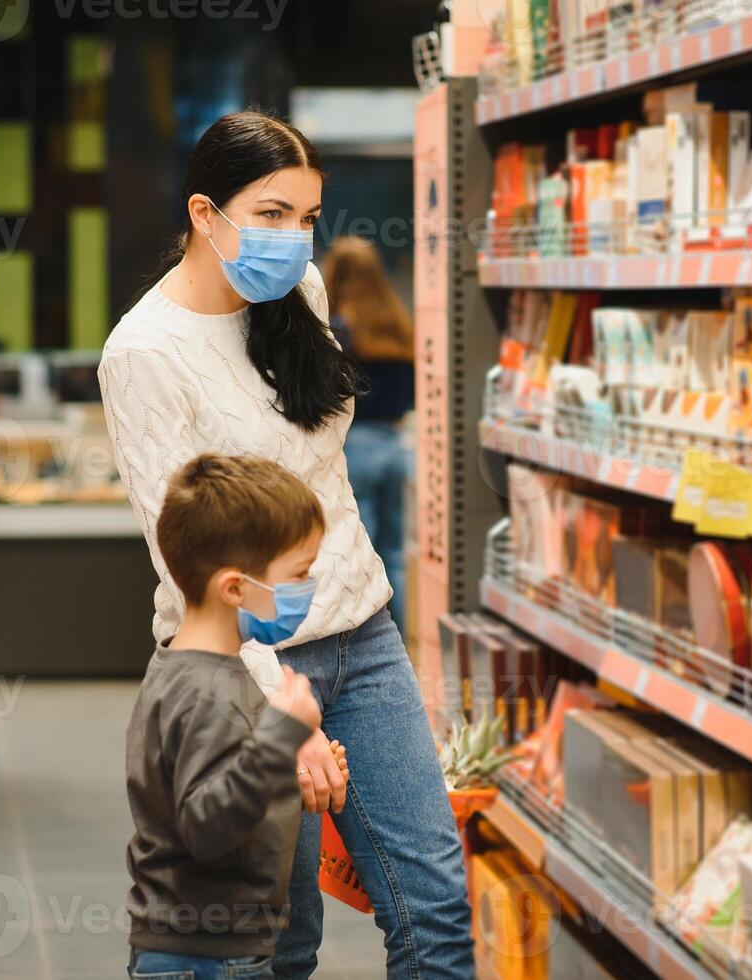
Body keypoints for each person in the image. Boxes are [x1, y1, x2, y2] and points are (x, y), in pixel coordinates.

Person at [99, 110, 474, 978]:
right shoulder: (145, 354)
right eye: (270, 215)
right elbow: (189, 562)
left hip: (363, 638)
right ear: (204, 213)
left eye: (307, 218)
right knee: (279, 944)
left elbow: (325, 470)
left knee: (436, 910)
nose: (295, 239)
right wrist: (280, 714)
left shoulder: (297, 295)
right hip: (247, 669)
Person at [124, 453, 346, 979]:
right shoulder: (208, 692)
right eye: (296, 575)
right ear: (234, 588)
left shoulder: (188, 668)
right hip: (208, 957)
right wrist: (280, 734)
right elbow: (206, 827)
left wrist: (281, 764)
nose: (307, 587)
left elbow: (211, 783)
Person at [321, 236, 415, 631]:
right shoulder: (398, 324)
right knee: (393, 554)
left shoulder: (336, 331)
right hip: (397, 446)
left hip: (356, 447)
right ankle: (398, 639)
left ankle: (366, 639)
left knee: (362, 554)